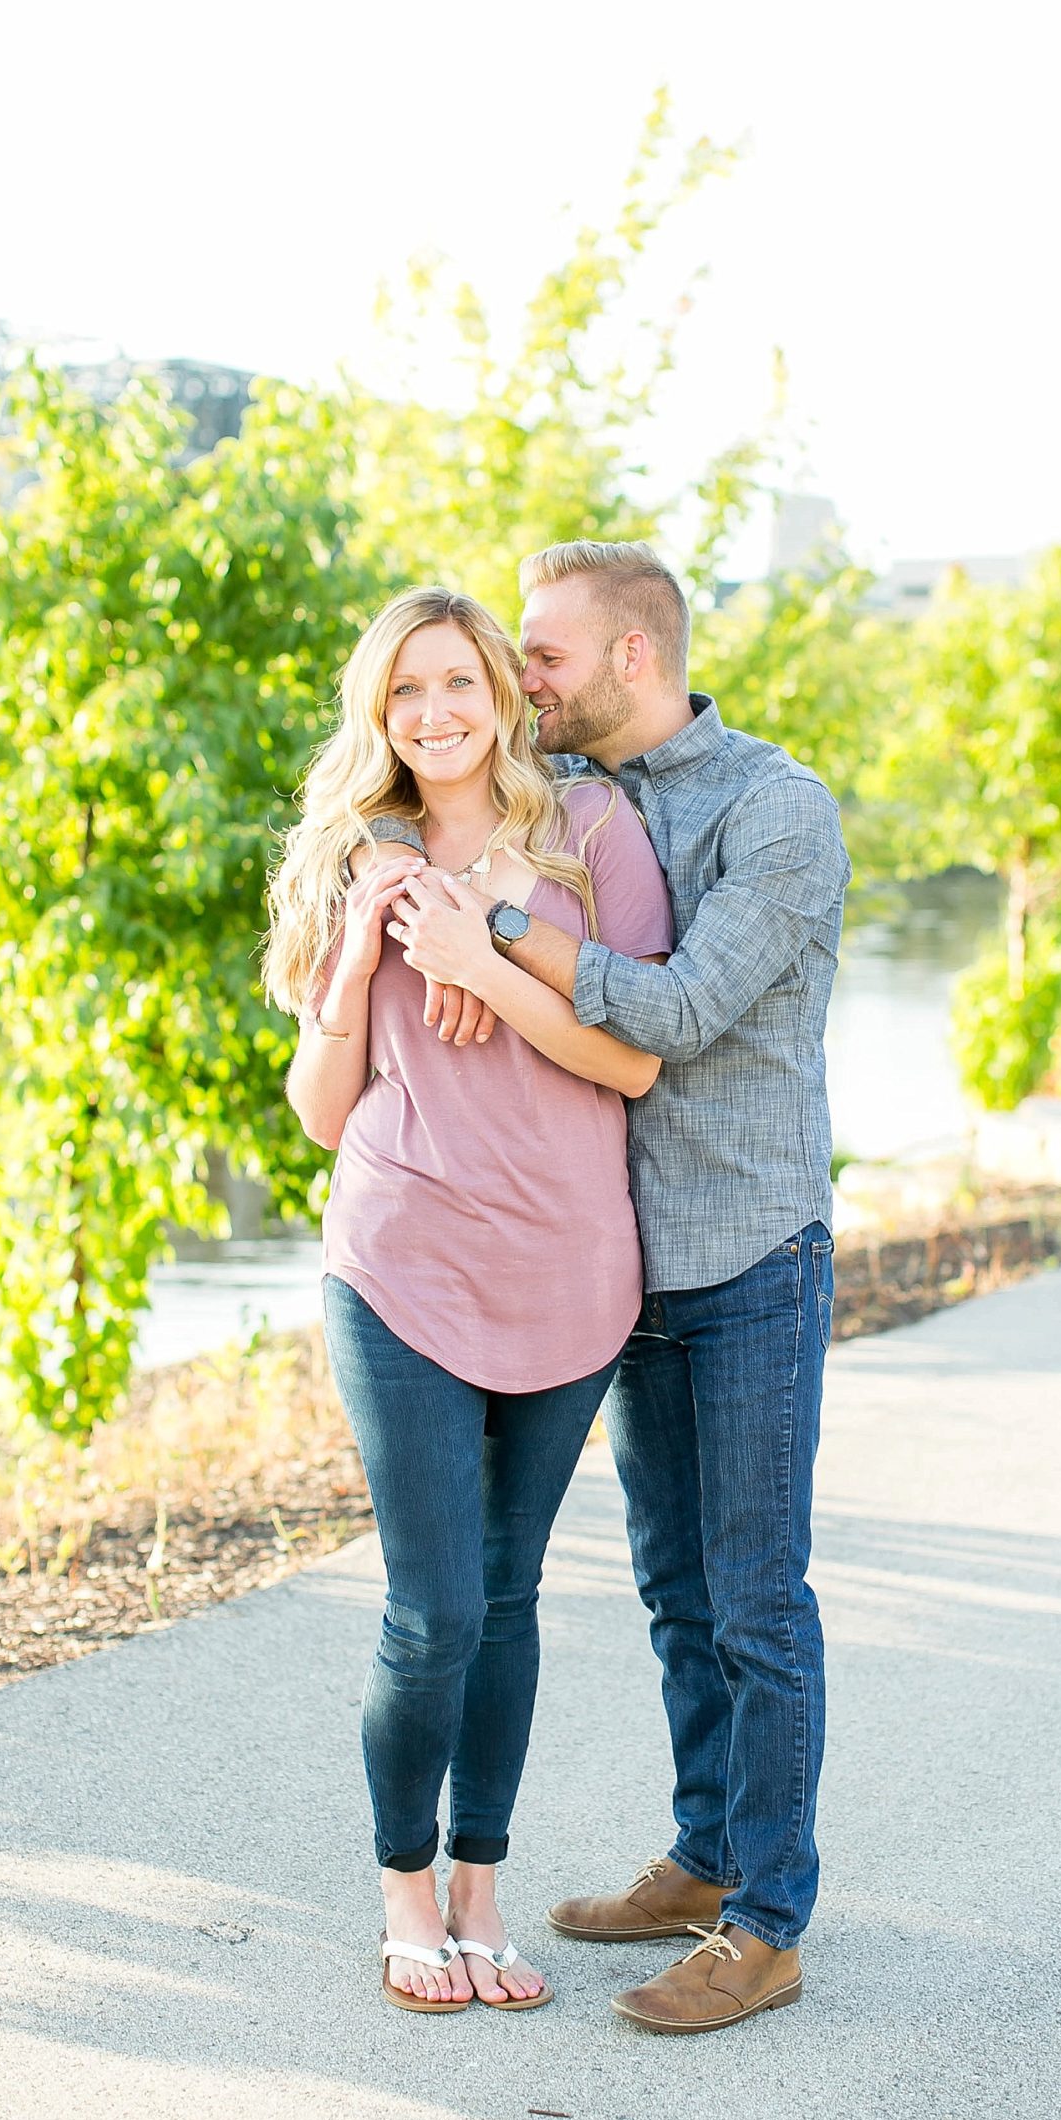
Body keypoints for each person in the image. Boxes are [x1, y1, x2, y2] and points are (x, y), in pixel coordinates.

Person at [393, 538, 850, 2035]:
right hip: (627, 1260)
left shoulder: (776, 810)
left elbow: (685, 1010)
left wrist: (506, 929)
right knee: (674, 1593)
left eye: (545, 655)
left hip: (750, 1251)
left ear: (633, 659)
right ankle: (707, 1855)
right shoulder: (579, 802)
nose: (527, 681)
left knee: (757, 1602)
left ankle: (769, 1921)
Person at [264, 585, 672, 2016]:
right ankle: (406, 1898)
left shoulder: (593, 838)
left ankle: (485, 1897)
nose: (433, 715)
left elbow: (634, 1063)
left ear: (501, 690)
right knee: (431, 1609)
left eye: (456, 683)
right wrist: (370, 957)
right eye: (403, 695)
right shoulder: (348, 860)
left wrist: (479, 964)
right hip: (400, 1263)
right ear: (378, 717)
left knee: (506, 1600)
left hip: (568, 1268)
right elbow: (323, 1112)